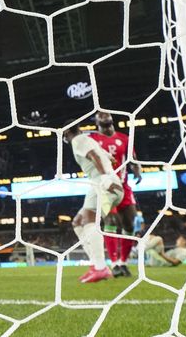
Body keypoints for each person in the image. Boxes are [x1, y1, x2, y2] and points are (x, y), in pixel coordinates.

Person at [64, 122, 124, 284]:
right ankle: (97, 264)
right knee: (78, 222)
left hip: (104, 185)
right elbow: (107, 158)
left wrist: (105, 179)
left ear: (67, 133)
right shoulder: (89, 139)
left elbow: (94, 156)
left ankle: (100, 268)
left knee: (89, 219)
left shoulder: (78, 140)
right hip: (109, 187)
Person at [90, 111, 142, 277]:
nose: (104, 117)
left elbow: (132, 159)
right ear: (97, 122)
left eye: (107, 116)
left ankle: (123, 262)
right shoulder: (92, 140)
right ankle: (113, 264)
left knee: (130, 224)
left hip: (123, 187)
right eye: (100, 117)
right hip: (104, 187)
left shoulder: (124, 138)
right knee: (111, 222)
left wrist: (137, 170)